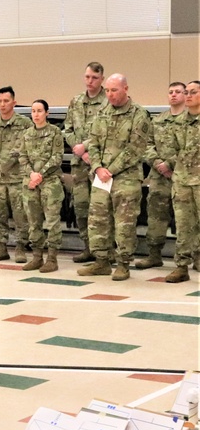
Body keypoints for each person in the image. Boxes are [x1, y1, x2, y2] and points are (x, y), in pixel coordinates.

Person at [78, 74, 153, 281]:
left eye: (115, 90)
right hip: (101, 177)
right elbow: (92, 142)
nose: (110, 95)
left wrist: (109, 169)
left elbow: (135, 148)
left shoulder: (138, 114)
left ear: (126, 89)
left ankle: (123, 263)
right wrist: (97, 167)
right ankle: (101, 261)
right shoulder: (102, 112)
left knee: (124, 223)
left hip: (126, 177)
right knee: (98, 220)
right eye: (108, 90)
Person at [136, 82, 186, 269]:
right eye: (170, 92)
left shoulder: (191, 120)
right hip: (159, 177)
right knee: (156, 217)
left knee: (187, 218)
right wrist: (158, 164)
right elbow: (146, 145)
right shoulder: (157, 121)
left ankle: (193, 256)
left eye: (178, 92)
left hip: (183, 176)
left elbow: (191, 148)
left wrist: (170, 164)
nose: (173, 95)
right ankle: (154, 254)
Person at [62, 62, 108, 263]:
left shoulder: (108, 101)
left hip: (101, 164)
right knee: (81, 207)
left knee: (102, 209)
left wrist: (86, 147)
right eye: (87, 77)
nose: (90, 81)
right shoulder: (76, 101)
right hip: (80, 164)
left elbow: (107, 131)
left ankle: (105, 251)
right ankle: (88, 247)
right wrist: (79, 150)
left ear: (102, 79)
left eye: (95, 78)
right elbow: (67, 129)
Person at [0, 86, 34, 263]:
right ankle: (1, 247)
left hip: (17, 178)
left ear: (14, 102)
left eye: (6, 101)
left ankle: (21, 247)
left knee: (20, 215)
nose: (2, 104)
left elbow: (27, 149)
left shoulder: (24, 124)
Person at [20, 100, 64, 273]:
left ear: (47, 112)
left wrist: (40, 174)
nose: (36, 114)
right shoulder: (27, 134)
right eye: (33, 111)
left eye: (39, 111)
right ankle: (37, 256)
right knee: (33, 221)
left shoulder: (54, 133)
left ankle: (52, 258)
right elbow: (22, 157)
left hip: (50, 183)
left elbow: (56, 157)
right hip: (30, 183)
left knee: (52, 221)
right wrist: (31, 174)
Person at [164, 80, 200, 283]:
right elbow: (171, 149)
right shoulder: (178, 122)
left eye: (193, 92)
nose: (188, 96)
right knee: (183, 225)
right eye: (187, 92)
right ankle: (181, 266)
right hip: (183, 181)